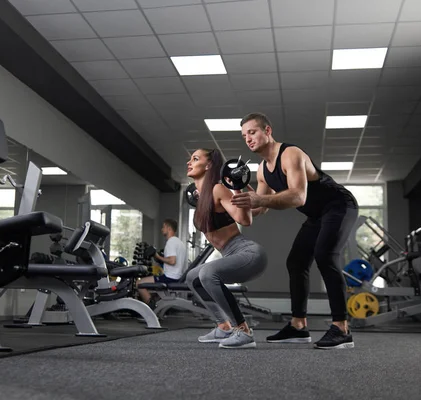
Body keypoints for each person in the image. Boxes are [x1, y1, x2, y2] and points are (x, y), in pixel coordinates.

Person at [232, 112, 359, 350]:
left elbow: (299, 196)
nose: (248, 139)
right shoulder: (262, 170)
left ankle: (341, 329)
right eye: (244, 136)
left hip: (339, 204)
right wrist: (240, 192)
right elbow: (261, 207)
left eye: (252, 132)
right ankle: (298, 326)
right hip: (317, 215)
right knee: (296, 262)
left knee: (324, 255)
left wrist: (259, 199)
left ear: (267, 131)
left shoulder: (290, 154)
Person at [184, 148, 267, 349]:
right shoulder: (202, 197)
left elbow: (244, 219)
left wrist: (238, 188)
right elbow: (254, 211)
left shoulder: (217, 189)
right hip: (230, 253)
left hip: (247, 252)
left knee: (207, 273)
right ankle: (224, 326)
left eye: (195, 158)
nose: (189, 162)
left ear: (209, 165)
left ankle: (243, 331)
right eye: (190, 159)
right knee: (192, 278)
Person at [137, 219, 187, 309]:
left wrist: (157, 255)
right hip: (177, 276)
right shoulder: (179, 242)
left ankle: (151, 309)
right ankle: (154, 304)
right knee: (148, 283)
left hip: (170, 277)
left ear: (169, 228)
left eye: (163, 227)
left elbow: (172, 261)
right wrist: (157, 257)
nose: (161, 229)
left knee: (139, 283)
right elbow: (171, 261)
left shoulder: (171, 242)